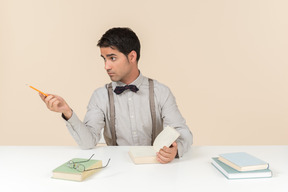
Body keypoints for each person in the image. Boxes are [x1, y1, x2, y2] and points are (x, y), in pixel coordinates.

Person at [40, 27, 193, 164]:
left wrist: (175, 149)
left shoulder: (161, 92)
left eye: (112, 58)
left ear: (132, 57)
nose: (106, 66)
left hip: (155, 167)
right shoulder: (100, 96)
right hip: (116, 168)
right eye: (104, 59)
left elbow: (183, 132)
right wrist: (67, 112)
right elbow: (88, 142)